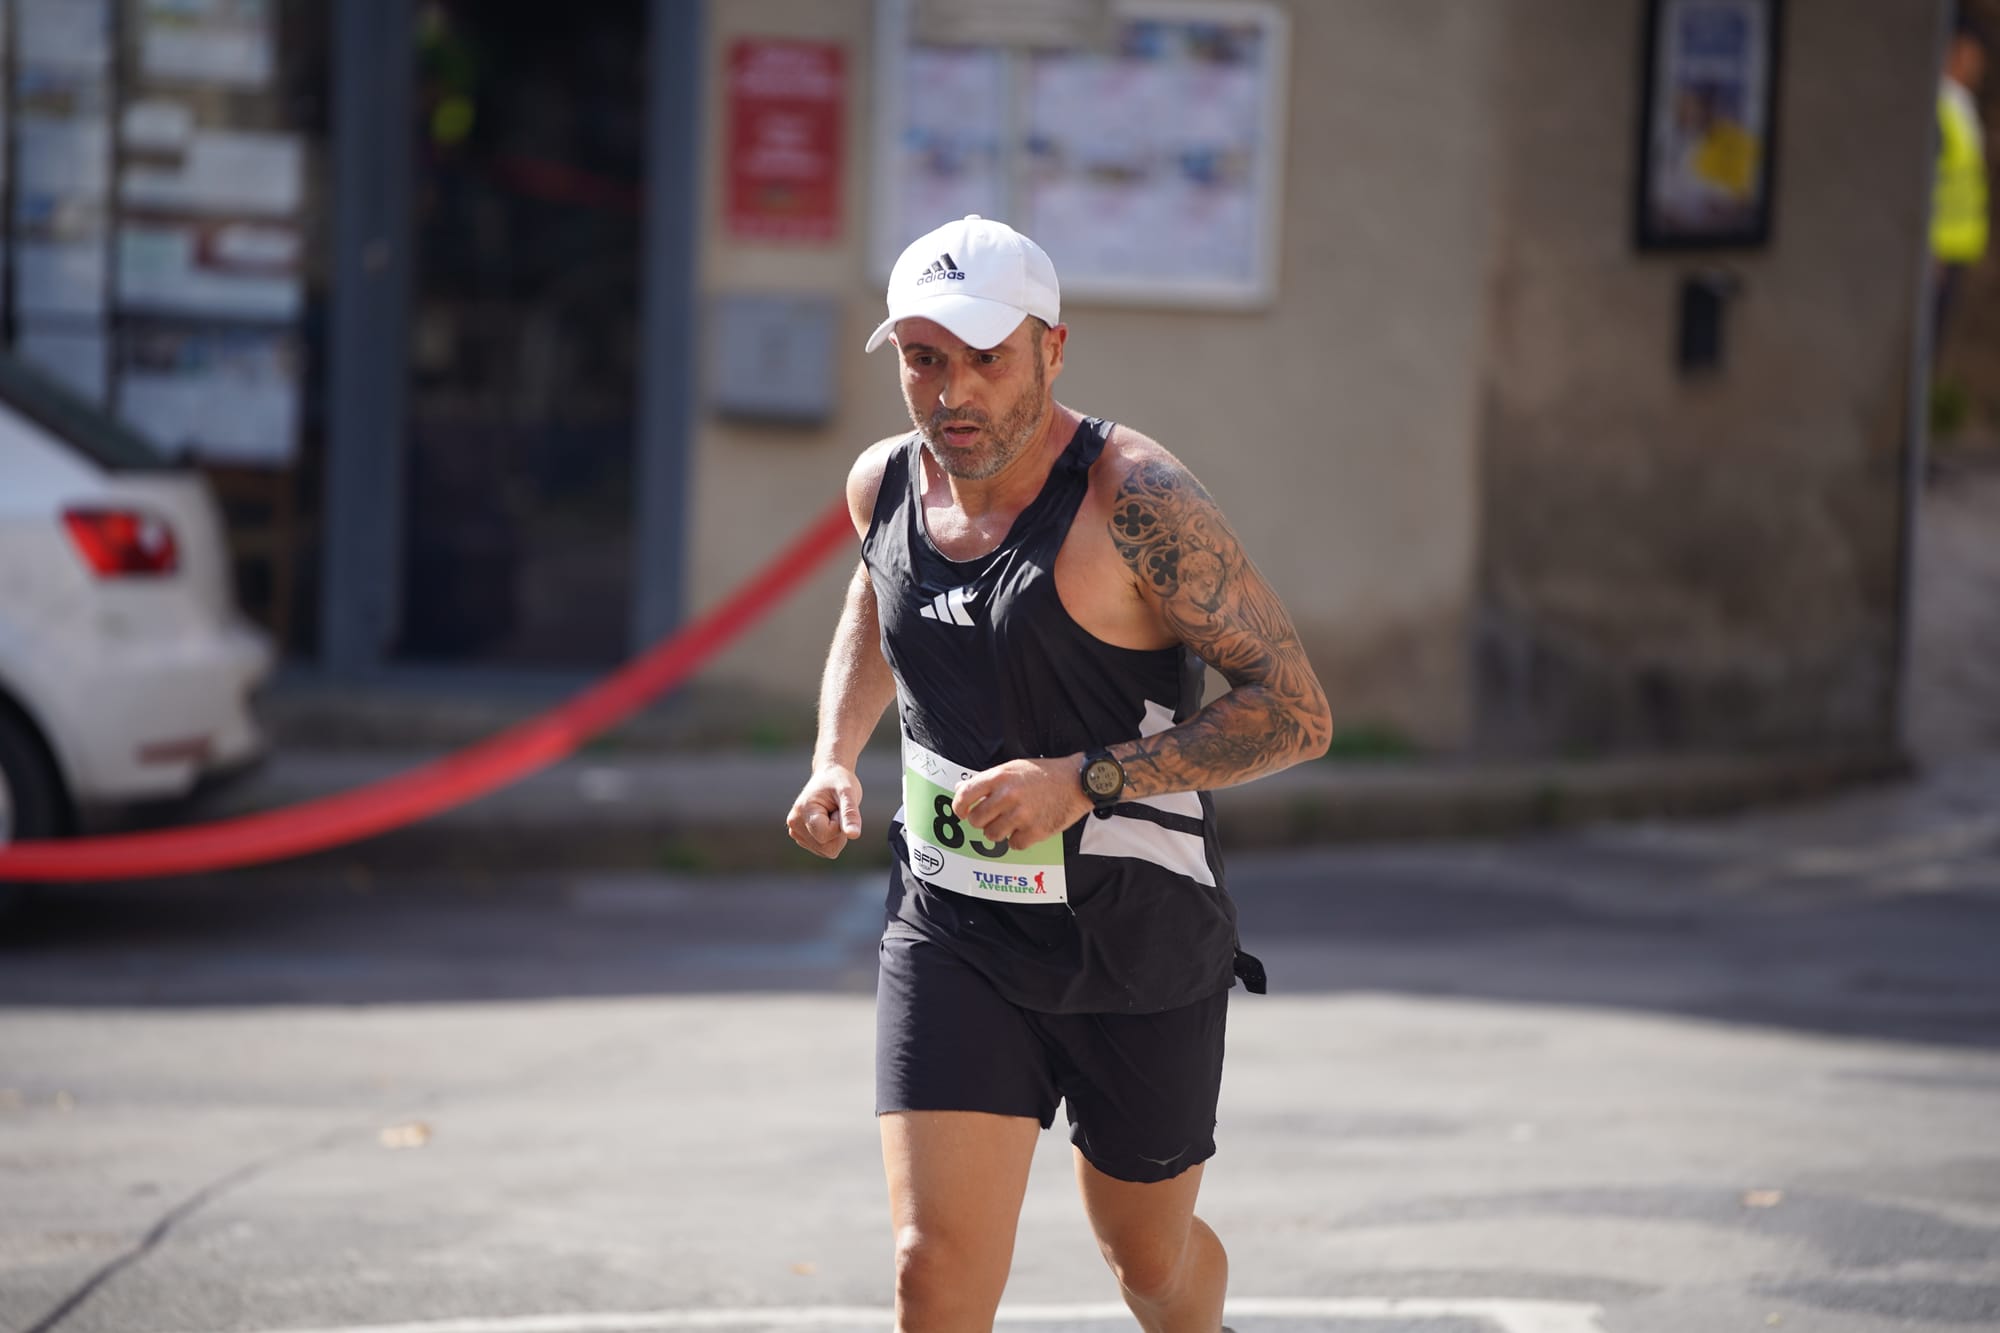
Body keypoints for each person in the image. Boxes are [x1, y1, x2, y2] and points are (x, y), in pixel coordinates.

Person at [784, 214, 1332, 1333]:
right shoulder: (884, 484)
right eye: (924, 359)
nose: (954, 394)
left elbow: (1296, 713)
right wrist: (833, 756)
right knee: (928, 1272)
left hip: (1134, 938)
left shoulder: (1134, 498)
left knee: (1147, 1260)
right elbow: (871, 602)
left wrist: (1079, 781)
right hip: (953, 927)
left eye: (987, 357)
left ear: (1052, 348)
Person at [1934, 13, 1990, 355]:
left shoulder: (1961, 104)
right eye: (1970, 55)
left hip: (1957, 245)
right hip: (1938, 248)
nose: (1977, 66)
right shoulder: (1939, 104)